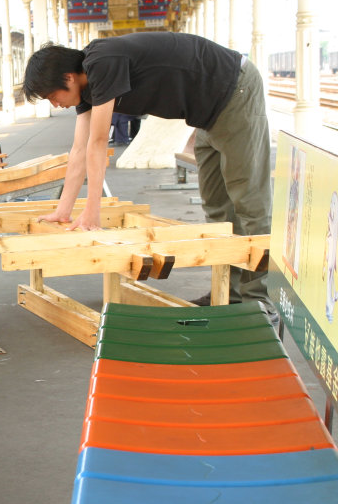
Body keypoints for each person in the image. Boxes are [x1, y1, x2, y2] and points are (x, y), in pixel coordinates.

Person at [22, 33, 276, 322]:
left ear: (69, 77)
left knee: (248, 201)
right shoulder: (87, 89)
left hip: (232, 89)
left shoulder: (103, 62)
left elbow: (99, 141)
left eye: (53, 96)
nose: (55, 104)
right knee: (218, 206)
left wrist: (92, 213)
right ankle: (230, 294)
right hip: (207, 111)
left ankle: (256, 301)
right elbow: (79, 149)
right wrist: (63, 211)